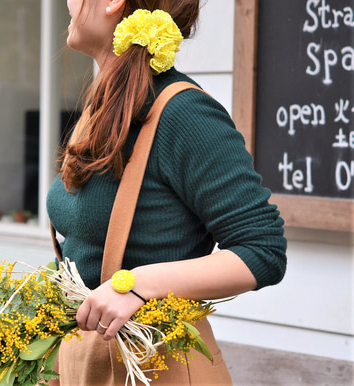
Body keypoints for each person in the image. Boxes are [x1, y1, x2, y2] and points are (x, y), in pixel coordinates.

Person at [46, 0, 287, 385]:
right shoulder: (106, 105)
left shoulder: (184, 113)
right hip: (87, 362)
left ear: (113, 4)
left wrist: (138, 285)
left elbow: (263, 249)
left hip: (154, 367)